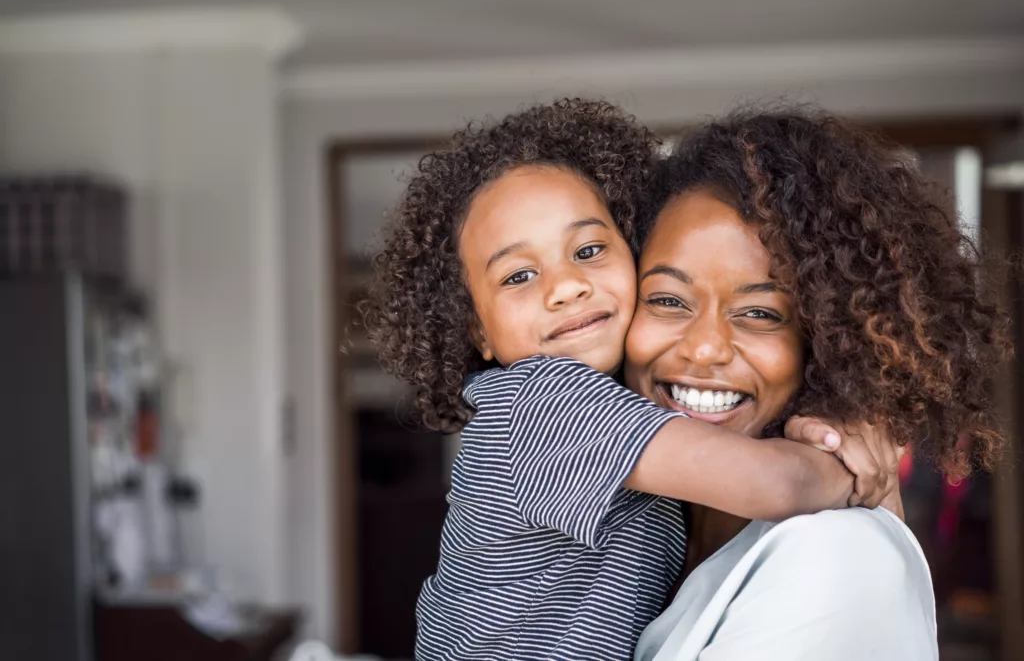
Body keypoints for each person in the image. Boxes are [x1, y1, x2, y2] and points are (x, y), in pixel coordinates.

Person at [360, 99, 900, 661]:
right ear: (480, 333)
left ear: (631, 252)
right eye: (518, 275)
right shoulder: (541, 401)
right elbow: (782, 487)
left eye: (589, 250)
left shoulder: (632, 418)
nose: (565, 287)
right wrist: (853, 462)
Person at [629, 109, 1011, 661]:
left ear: (830, 343)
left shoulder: (839, 553)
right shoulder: (638, 541)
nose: (705, 348)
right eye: (667, 300)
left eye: (759, 313)